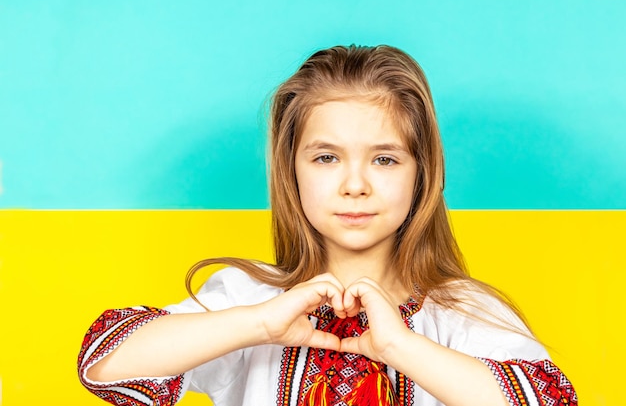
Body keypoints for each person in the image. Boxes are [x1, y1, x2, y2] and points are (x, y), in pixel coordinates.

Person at [78, 45, 577, 406]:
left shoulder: (463, 312)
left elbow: (552, 400)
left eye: (384, 159)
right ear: (290, 170)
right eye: (325, 158)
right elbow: (104, 364)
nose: (355, 184)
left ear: (425, 172)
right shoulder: (248, 297)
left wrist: (399, 347)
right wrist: (259, 324)